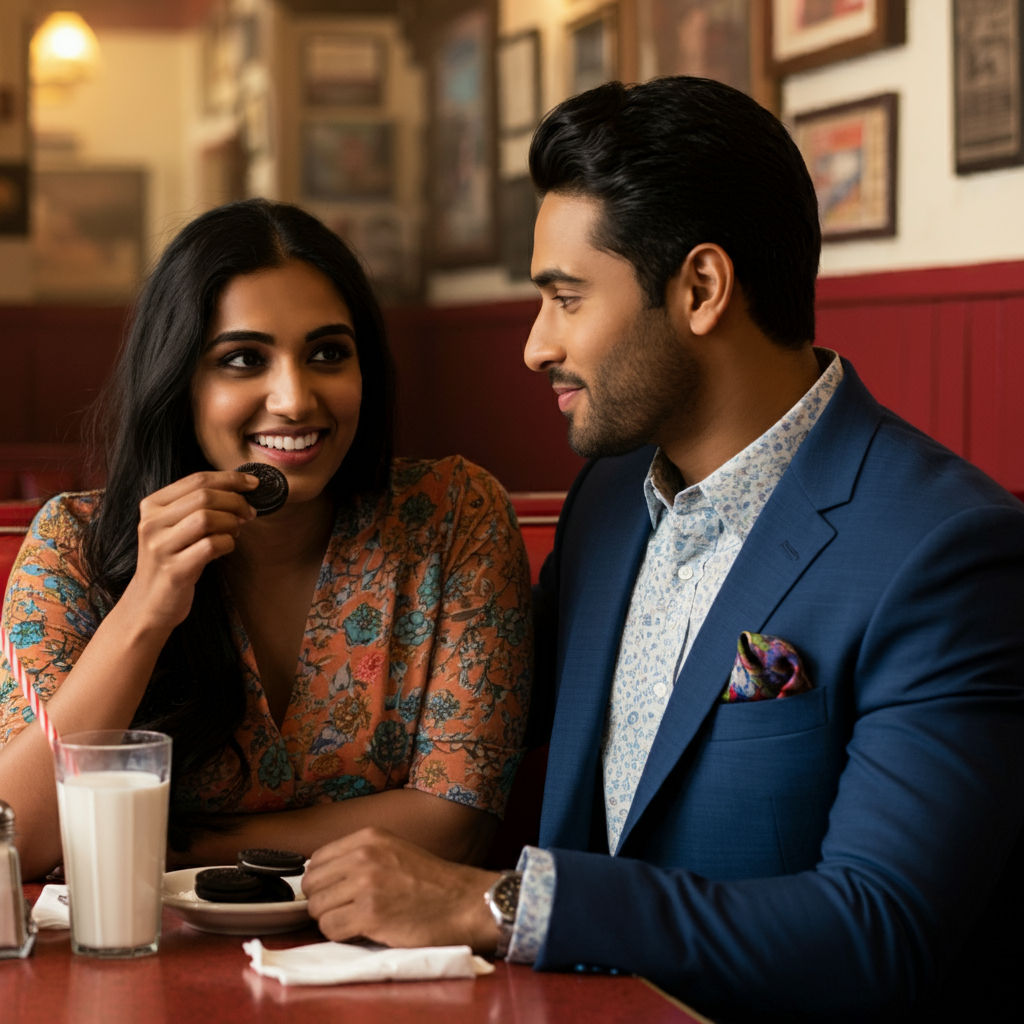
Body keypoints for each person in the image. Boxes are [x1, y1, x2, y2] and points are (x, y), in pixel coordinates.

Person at [298, 77, 1024, 1022]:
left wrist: (494, 904)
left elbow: (874, 932)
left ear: (701, 289)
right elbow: (452, 725)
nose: (533, 345)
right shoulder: (607, 501)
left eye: (565, 298)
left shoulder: (947, 552)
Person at [0, 198, 532, 881]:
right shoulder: (74, 545)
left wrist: (159, 844)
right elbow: (21, 837)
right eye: (244, 359)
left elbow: (453, 827)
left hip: (382, 961)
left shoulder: (454, 518)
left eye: (328, 354)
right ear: (178, 381)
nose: (295, 399)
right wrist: (147, 607)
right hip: (141, 958)